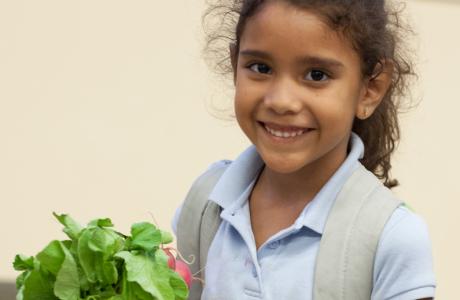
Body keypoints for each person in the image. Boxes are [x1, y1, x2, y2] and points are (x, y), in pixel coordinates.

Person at [172, 0, 436, 299]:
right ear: (235, 66)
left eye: (317, 75)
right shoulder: (206, 204)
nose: (282, 101)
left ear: (369, 89)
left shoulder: (391, 236)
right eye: (261, 68)